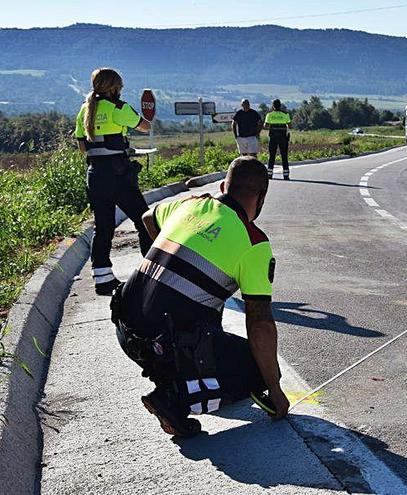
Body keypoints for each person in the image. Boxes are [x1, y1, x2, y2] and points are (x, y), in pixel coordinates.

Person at [111, 156, 289, 438]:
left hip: (125, 329)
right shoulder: (253, 242)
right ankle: (174, 397)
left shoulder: (191, 204)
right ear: (261, 197)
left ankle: (173, 374)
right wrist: (275, 390)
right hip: (164, 341)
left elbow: (147, 218)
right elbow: (260, 324)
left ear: (222, 186)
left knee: (202, 313)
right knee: (258, 369)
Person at [74, 67, 153, 295]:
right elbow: (145, 126)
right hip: (118, 174)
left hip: (95, 175)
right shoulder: (118, 108)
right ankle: (152, 274)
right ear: (114, 88)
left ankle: (103, 279)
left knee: (103, 227)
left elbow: (82, 147)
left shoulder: (84, 110)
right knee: (144, 219)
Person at [263, 99, 292, 179]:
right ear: (280, 105)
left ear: (273, 106)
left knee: (272, 155)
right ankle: (286, 175)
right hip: (283, 137)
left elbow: (265, 126)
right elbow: (290, 126)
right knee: (284, 156)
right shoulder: (285, 114)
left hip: (273, 137)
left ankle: (269, 174)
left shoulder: (269, 115)